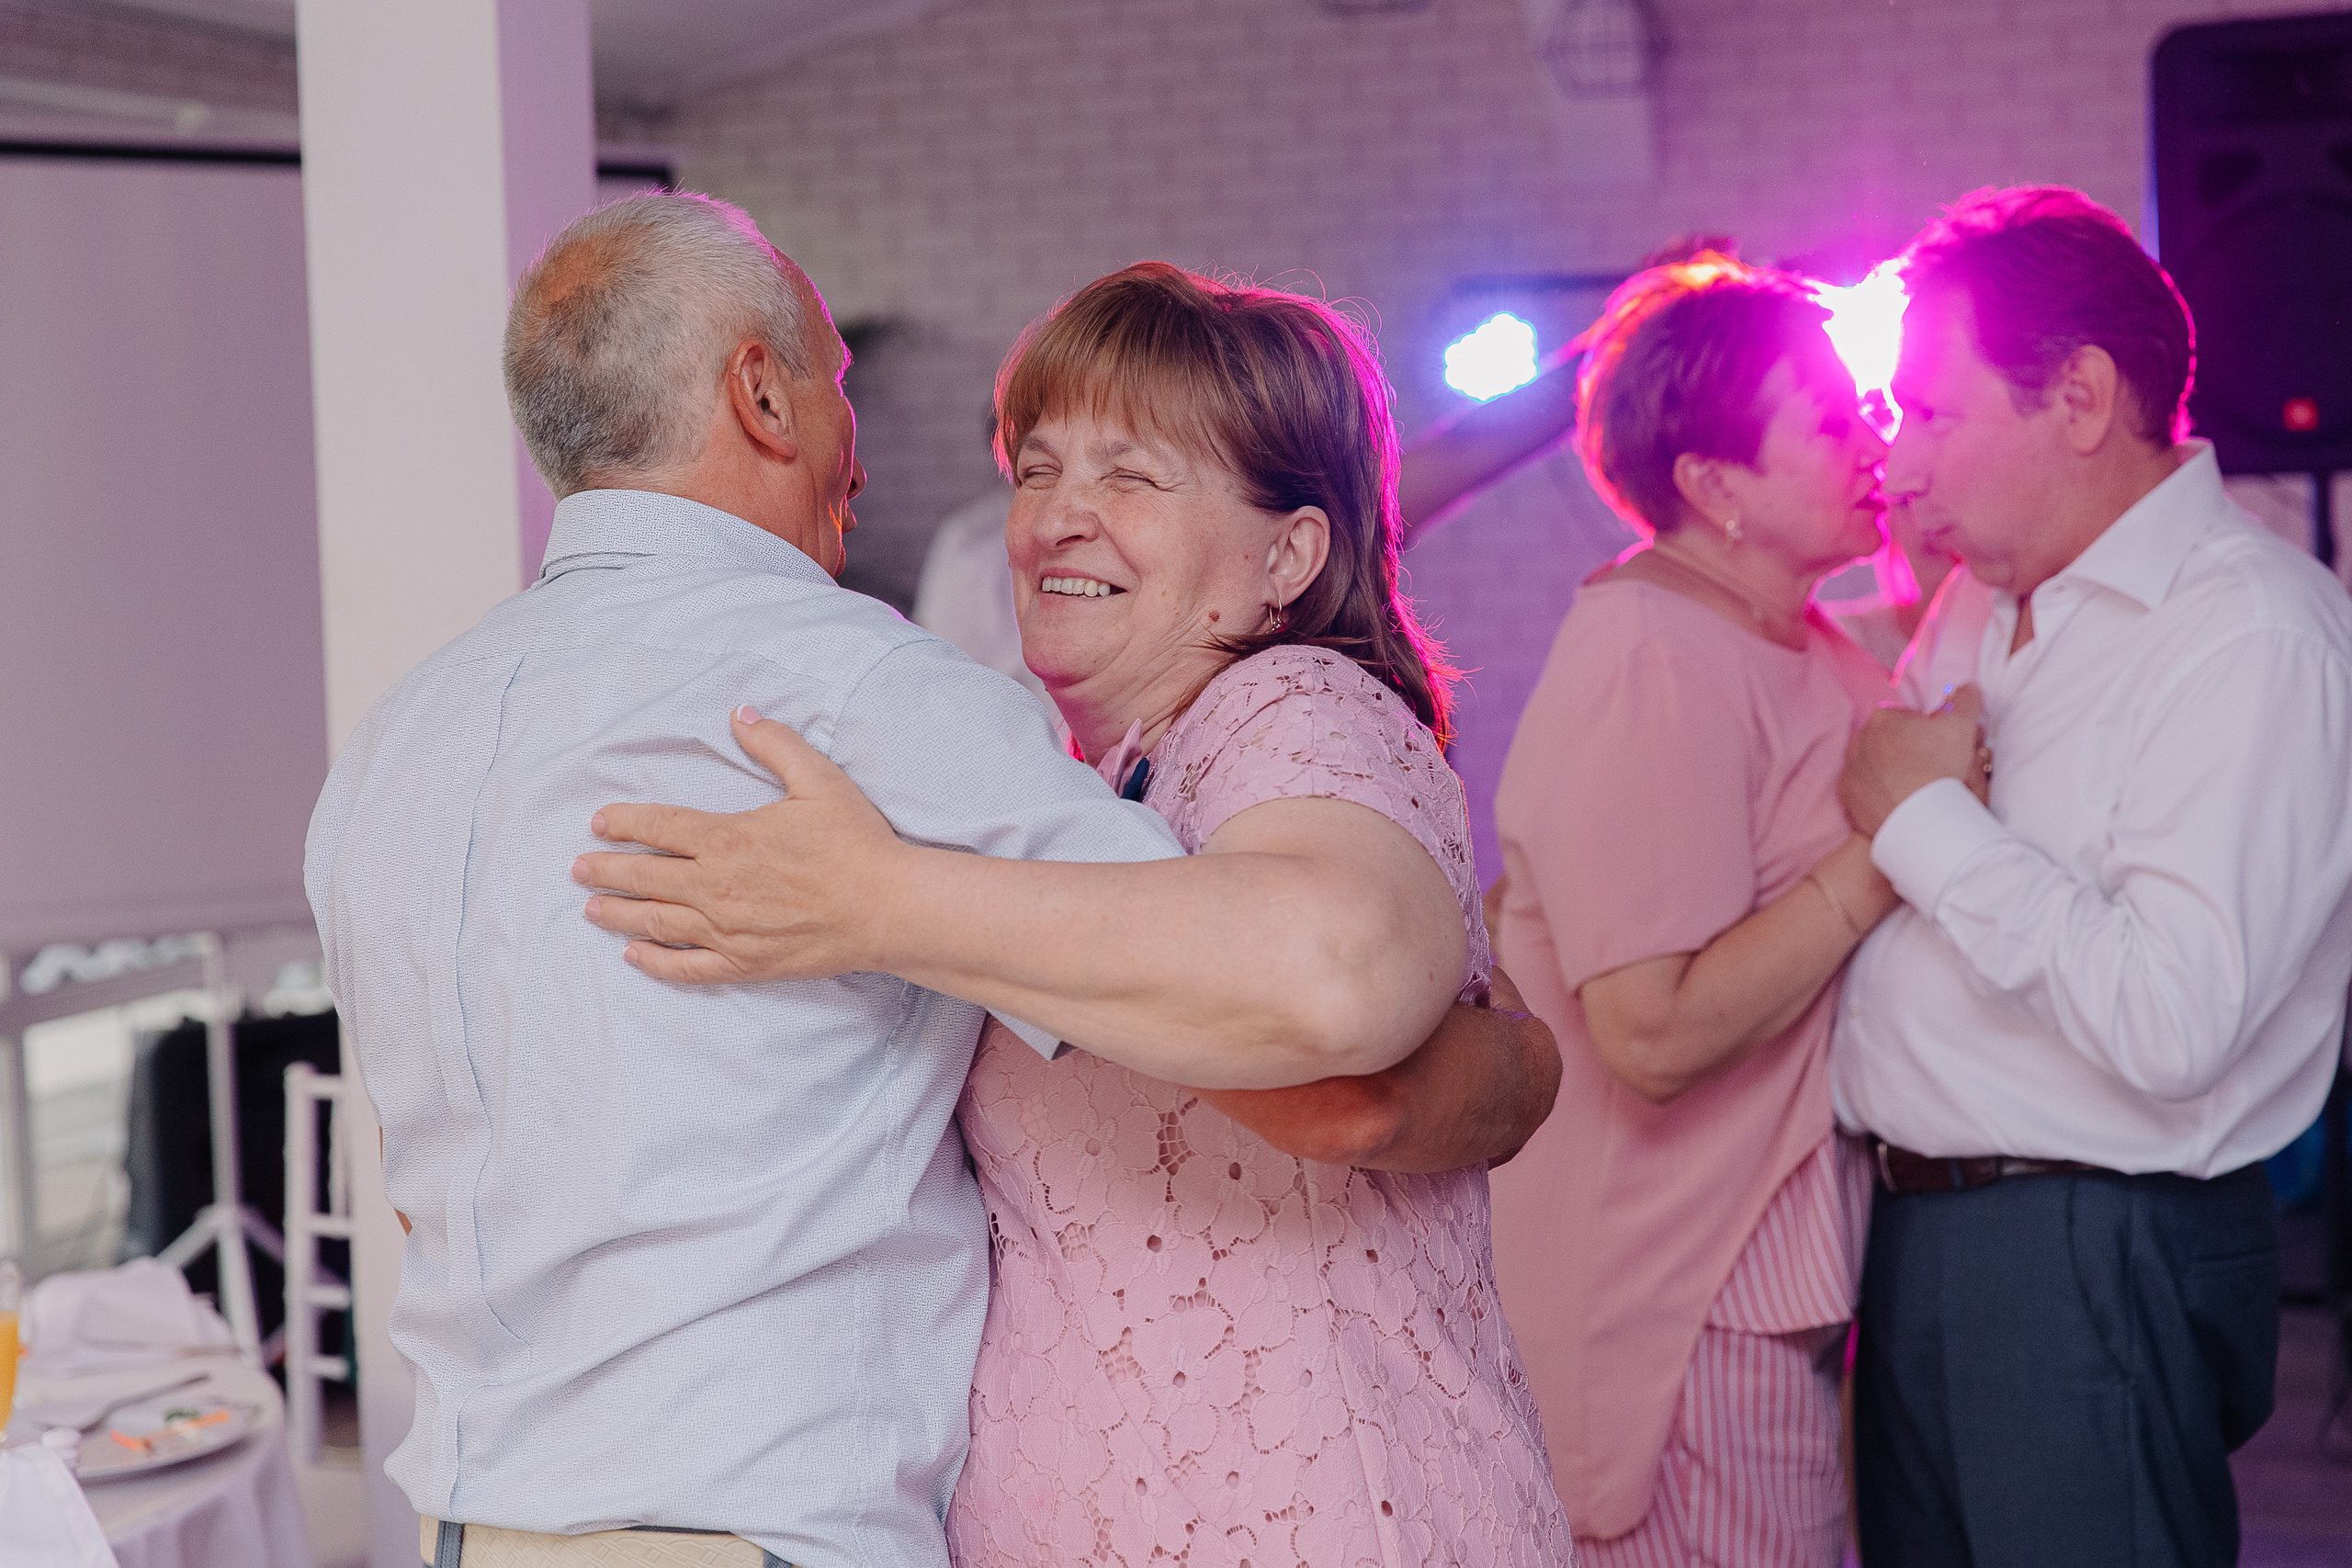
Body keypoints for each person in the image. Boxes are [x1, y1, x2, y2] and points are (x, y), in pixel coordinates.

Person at [306, 196, 1511, 1568]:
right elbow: (1309, 1033)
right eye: (837, 384)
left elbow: (426, 1177)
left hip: (477, 1522)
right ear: (763, 397)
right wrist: (1525, 1066)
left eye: (1126, 474)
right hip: (761, 1528)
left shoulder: (397, 742)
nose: (858, 451)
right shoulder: (859, 691)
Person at [1833, 186, 2352, 1567]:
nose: (1909, 465)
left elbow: (2176, 1016)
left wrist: (1928, 823)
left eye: (1934, 415)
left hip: (2087, 1238)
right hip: (1923, 1227)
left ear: (2077, 397)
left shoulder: (2250, 633)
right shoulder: (1989, 601)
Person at [1483, 255, 1913, 1565]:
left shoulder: (1788, 629)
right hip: (1679, 1302)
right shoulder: (1651, 664)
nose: (1874, 438)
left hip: (1766, 1273)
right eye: (1833, 421)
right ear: (1716, 486)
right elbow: (1650, 1034)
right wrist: (1887, 852)